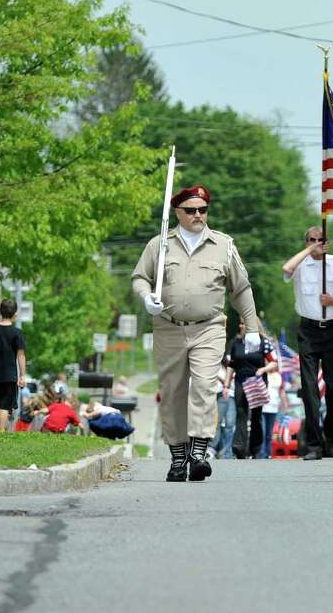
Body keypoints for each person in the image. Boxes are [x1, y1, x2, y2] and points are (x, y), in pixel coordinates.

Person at [131, 183, 263, 482]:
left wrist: (252, 327)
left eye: (202, 210)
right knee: (173, 392)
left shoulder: (223, 245)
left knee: (204, 386)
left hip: (209, 328)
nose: (198, 215)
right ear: (177, 212)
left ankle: (199, 453)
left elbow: (240, 288)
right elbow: (140, 277)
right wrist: (146, 297)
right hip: (169, 328)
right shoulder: (160, 244)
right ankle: (178, 458)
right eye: (190, 210)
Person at [282, 225, 333, 460]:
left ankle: (332, 437)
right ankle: (315, 444)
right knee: (309, 390)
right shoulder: (300, 265)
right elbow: (286, 268)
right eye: (311, 239)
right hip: (308, 330)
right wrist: (309, 251)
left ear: (328, 242)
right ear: (306, 242)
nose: (317, 242)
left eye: (320, 239)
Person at [225, 320, 277, 459]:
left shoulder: (263, 342)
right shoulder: (236, 344)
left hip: (257, 382)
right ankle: (239, 447)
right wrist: (226, 384)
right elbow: (231, 365)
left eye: (244, 323)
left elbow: (273, 362)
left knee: (256, 415)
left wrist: (263, 369)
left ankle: (255, 448)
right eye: (240, 323)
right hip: (240, 381)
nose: (241, 326)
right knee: (241, 413)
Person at [0, 298, 27, 432]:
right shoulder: (17, 333)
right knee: (5, 405)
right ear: (15, 314)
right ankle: (1, 432)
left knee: (2, 403)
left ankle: (3, 428)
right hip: (9, 374)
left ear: (0, 312)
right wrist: (22, 375)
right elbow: (20, 355)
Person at [259, 358, 283, 459]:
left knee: (269, 433)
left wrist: (284, 404)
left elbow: (281, 391)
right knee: (263, 432)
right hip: (263, 406)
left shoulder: (278, 376)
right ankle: (261, 453)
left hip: (274, 407)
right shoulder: (264, 374)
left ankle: (268, 453)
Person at [213, 362, 236, 459]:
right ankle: (213, 448)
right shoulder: (215, 366)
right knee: (217, 424)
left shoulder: (230, 366)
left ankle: (227, 452)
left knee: (229, 425)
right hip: (219, 395)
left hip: (232, 395)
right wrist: (224, 380)